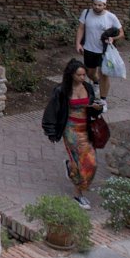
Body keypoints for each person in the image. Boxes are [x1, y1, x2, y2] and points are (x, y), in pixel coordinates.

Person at [53, 57, 101, 208]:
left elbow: (91, 108)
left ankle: (70, 168)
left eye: (84, 75)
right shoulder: (63, 90)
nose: (82, 78)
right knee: (81, 162)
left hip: (85, 128)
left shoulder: (88, 88)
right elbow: (55, 110)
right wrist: (53, 130)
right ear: (71, 75)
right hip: (71, 130)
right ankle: (78, 194)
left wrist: (96, 108)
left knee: (92, 162)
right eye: (79, 75)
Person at [75, 0, 123, 110]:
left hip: (104, 51)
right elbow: (81, 28)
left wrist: (113, 38)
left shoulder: (111, 17)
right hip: (89, 49)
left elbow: (121, 33)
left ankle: (103, 100)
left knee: (104, 75)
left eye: (99, 5)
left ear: (105, 5)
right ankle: (96, 82)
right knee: (91, 73)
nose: (96, 7)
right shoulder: (86, 13)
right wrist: (78, 43)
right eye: (94, 4)